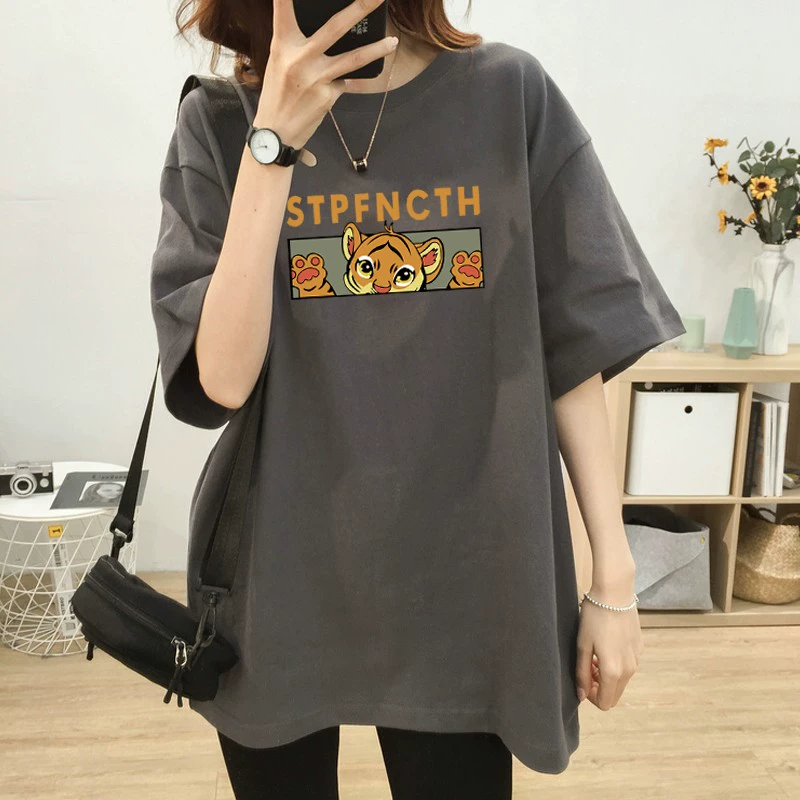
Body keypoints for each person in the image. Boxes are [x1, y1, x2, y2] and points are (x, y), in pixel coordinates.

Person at [149, 0, 686, 796]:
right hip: (281, 576)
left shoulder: (508, 96)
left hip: (470, 579)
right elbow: (222, 380)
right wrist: (272, 145)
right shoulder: (221, 123)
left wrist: (614, 580)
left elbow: (574, 345)